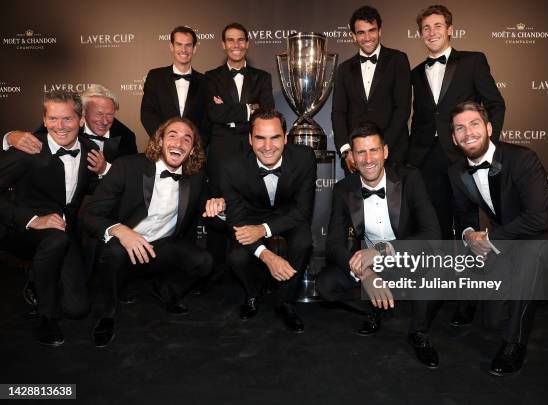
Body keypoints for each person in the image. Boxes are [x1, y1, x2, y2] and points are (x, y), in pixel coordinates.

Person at [448, 101, 548, 376]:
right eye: (460, 128)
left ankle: (514, 345)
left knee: (529, 258)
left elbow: (539, 219)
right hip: (508, 236)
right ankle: (546, 284)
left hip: (545, 233)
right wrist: (469, 237)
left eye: (474, 124)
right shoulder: (455, 172)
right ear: (454, 138)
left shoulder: (522, 158)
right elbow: (463, 215)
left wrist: (489, 237)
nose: (468, 132)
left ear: (489, 128)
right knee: (491, 320)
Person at [80, 117, 223, 347]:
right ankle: (106, 315)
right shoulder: (127, 166)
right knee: (114, 253)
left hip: (160, 248)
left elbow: (212, 215)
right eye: (173, 135)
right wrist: (121, 230)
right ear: (160, 140)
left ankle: (166, 288)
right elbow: (90, 215)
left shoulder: (195, 177)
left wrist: (218, 208)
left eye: (187, 139)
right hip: (122, 247)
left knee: (204, 262)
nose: (179, 142)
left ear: (193, 149)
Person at [317, 121, 442, 368]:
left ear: (385, 151)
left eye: (374, 150)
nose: (368, 158)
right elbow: (333, 243)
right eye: (361, 152)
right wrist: (365, 274)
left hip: (405, 258)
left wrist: (382, 250)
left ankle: (419, 332)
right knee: (325, 285)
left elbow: (433, 234)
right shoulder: (344, 189)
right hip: (370, 265)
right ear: (351, 156)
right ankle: (372, 308)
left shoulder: (410, 178)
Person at [0, 90, 104, 346]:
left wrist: (102, 171)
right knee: (55, 239)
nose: (60, 126)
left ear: (81, 121)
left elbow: (89, 188)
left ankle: (40, 278)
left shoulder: (90, 149)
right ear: (44, 121)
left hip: (63, 233)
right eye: (53, 119)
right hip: (23, 231)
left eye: (67, 119)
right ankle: (46, 318)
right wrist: (32, 219)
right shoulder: (29, 149)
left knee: (78, 309)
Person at [409, 4, 505, 241]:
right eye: (426, 28)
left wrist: (484, 146)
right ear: (420, 33)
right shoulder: (415, 73)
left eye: (438, 26)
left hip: (462, 152)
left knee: (468, 219)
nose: (432, 32)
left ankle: (470, 270)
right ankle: (441, 273)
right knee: (434, 221)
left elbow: (496, 104)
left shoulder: (472, 61)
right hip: (426, 157)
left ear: (450, 29)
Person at [219, 108, 316, 333]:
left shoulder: (304, 158)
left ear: (285, 138)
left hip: (289, 215)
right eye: (260, 138)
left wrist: (263, 230)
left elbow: (303, 211)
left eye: (275, 137)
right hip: (250, 217)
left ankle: (286, 301)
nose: (268, 146)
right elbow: (236, 221)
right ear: (250, 140)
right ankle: (253, 292)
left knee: (304, 242)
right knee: (237, 256)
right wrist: (268, 256)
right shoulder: (231, 166)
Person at [332, 5, 411, 173]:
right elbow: (338, 112)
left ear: (380, 31)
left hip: (393, 153)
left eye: (372, 30)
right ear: (353, 36)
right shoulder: (344, 69)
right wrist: (347, 151)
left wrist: (381, 148)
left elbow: (402, 109)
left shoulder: (398, 60)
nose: (367, 37)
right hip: (356, 158)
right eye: (361, 32)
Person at [203, 22, 274, 185]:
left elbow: (266, 111)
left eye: (240, 40)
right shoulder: (211, 77)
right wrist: (250, 109)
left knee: (251, 201)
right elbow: (214, 112)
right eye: (230, 40)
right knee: (219, 203)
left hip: (253, 148)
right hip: (221, 150)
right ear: (223, 45)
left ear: (247, 44)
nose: (236, 45)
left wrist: (227, 110)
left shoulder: (263, 77)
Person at [3, 84, 136, 167]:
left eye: (110, 114)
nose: (105, 121)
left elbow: (129, 177)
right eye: (98, 114)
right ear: (82, 114)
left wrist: (104, 168)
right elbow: (30, 142)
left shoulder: (126, 136)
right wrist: (10, 137)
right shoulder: (63, 124)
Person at [141, 26, 207, 142]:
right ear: (171, 47)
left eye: (188, 45)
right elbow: (147, 113)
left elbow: (207, 120)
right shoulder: (155, 76)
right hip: (162, 148)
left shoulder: (205, 81)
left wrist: (195, 144)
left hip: (193, 151)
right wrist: (163, 140)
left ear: (194, 48)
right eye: (179, 44)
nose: (184, 49)